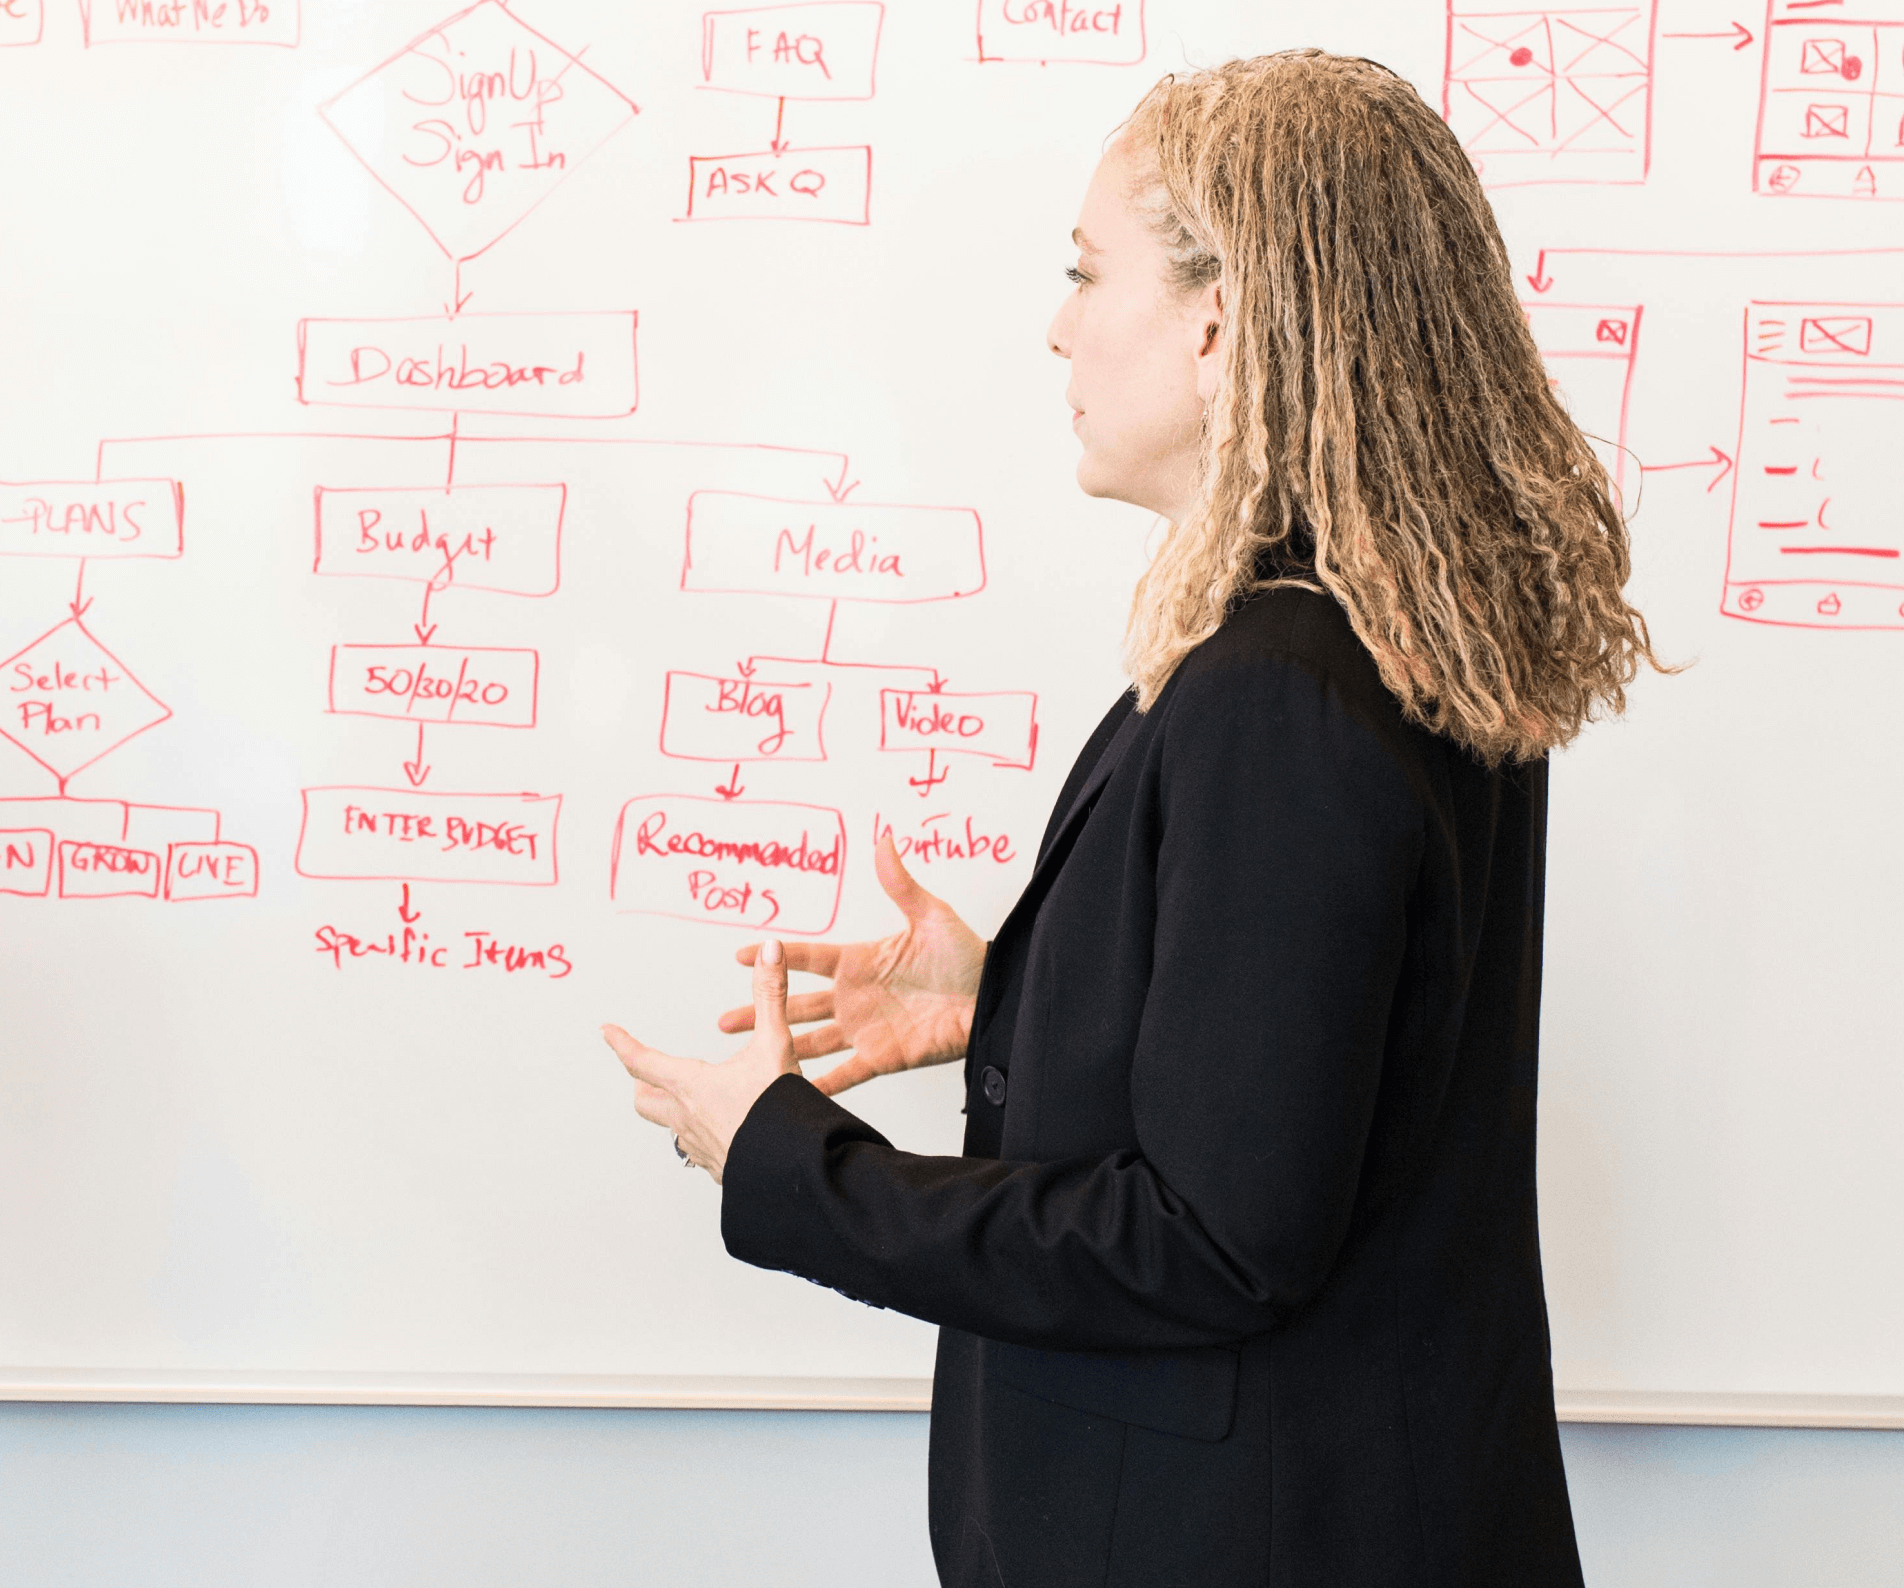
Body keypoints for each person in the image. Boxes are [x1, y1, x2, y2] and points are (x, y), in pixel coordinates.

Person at [599, 52, 1658, 1586]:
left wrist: (785, 1158)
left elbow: (1215, 1241)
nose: (1058, 326)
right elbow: (1328, 1070)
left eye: (1091, 275)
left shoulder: (1280, 692)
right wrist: (1011, 996)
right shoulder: (1415, 637)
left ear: (1221, 323)